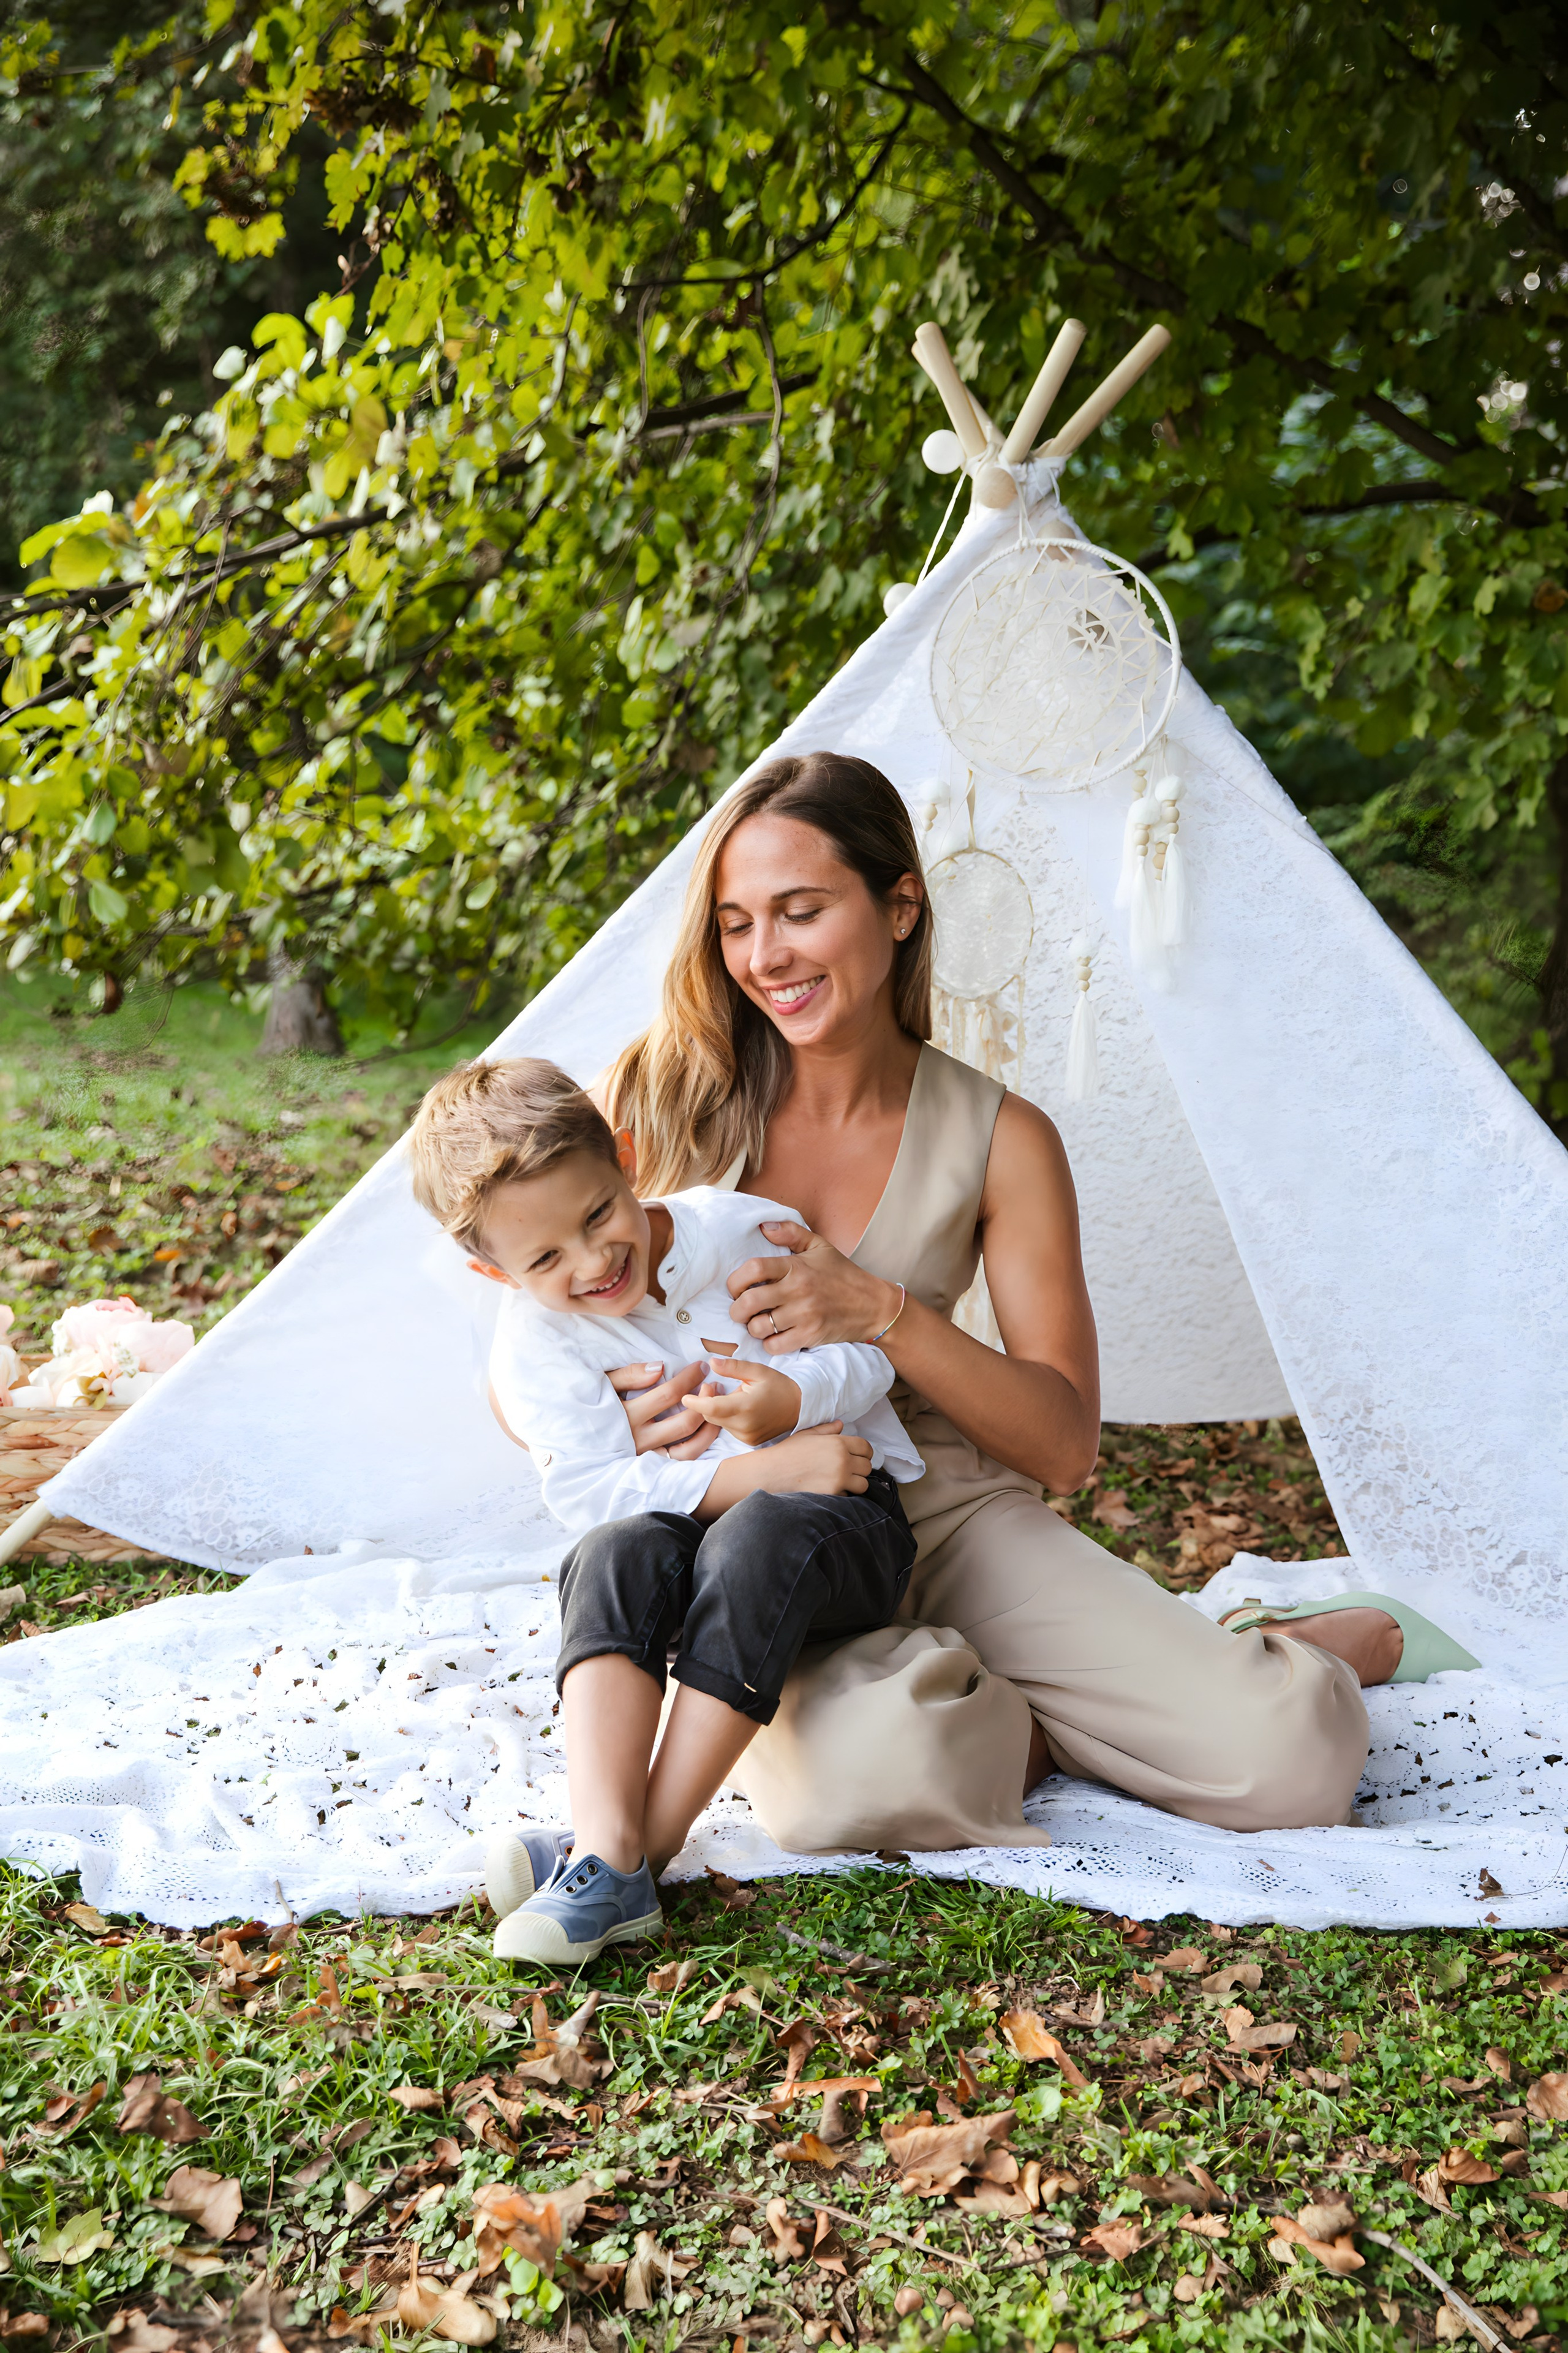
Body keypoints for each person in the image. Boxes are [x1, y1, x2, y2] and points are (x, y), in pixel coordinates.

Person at [563, 747, 1477, 1860]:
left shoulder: (1004, 1138)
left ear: (900, 907)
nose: (765, 957)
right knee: (850, 1794)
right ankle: (1053, 1709)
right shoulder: (657, 1098)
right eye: (737, 922)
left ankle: (1246, 1650)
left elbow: (1064, 1445)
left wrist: (884, 1312)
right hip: (742, 1530)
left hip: (939, 1506)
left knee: (1289, 1757)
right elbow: (522, 1332)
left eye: (800, 912)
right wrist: (634, 1424)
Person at [406, 1056, 922, 1962]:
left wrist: (786, 1406)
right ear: (493, 1274)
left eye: (598, 1213)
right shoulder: (535, 1344)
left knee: (760, 1531)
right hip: (709, 1549)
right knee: (610, 1552)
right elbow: (589, 1489)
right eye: (545, 1258)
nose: (594, 1260)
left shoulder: (744, 1233)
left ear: (629, 1159)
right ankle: (606, 1845)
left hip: (844, 1523)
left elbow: (872, 1356)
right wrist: (762, 1470)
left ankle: (638, 1850)